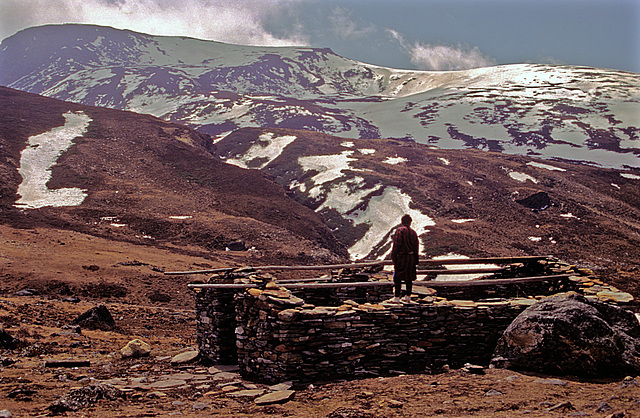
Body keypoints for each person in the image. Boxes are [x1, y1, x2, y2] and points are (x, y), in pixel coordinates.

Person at [391, 214, 419, 303]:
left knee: (398, 277)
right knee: (409, 277)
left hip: (402, 257)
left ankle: (397, 297)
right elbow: (416, 247)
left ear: (402, 221)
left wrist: (394, 257)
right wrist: (416, 260)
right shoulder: (413, 232)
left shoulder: (399, 231)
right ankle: (408, 296)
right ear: (410, 222)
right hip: (411, 258)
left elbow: (396, 245)